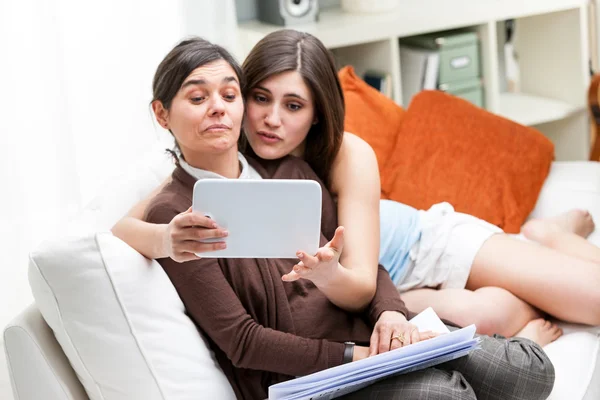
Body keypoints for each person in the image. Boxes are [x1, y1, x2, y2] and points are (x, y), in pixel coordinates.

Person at [112, 28, 599, 341]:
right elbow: (125, 226)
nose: (271, 121)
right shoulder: (225, 145)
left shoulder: (348, 153)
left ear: (318, 110)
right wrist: (167, 239)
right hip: (360, 295)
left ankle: (549, 237)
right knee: (486, 318)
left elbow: (365, 279)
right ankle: (536, 263)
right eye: (260, 98)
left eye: (294, 106)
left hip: (417, 252)